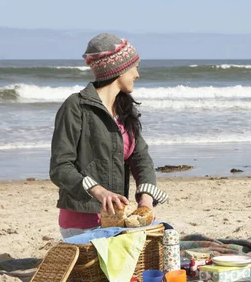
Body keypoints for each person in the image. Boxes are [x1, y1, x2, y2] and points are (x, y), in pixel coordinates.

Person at [50, 33, 169, 238]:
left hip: (118, 220)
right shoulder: (76, 107)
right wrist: (99, 191)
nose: (137, 74)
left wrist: (146, 200)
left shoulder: (125, 110)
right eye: (135, 67)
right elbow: (60, 167)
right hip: (83, 223)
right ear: (119, 69)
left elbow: (141, 158)